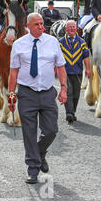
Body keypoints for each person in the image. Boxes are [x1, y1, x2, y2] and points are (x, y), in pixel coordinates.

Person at [8, 13, 68, 184]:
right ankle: (33, 168)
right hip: (26, 93)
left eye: (42, 24)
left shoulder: (53, 42)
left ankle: (40, 153)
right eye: (36, 24)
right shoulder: (18, 44)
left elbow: (61, 67)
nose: (41, 27)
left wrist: (63, 88)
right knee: (29, 132)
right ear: (28, 26)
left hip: (48, 92)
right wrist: (11, 94)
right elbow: (13, 72)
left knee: (51, 131)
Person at [59, 20, 91, 123]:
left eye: (73, 27)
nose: (72, 29)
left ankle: (72, 112)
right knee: (68, 92)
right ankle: (69, 113)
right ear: (66, 29)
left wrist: (88, 69)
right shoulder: (60, 42)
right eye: (70, 27)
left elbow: (86, 56)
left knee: (76, 94)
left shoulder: (82, 42)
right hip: (65, 72)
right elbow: (57, 57)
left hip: (78, 71)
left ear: (76, 28)